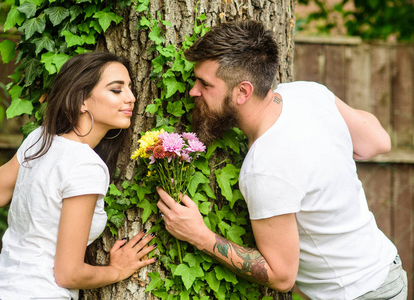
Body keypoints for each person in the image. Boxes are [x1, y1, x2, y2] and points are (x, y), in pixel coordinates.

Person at [157, 21, 408, 299]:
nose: (193, 91)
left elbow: (281, 275)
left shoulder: (265, 167)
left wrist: (200, 236)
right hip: (389, 271)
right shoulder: (308, 93)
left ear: (243, 92)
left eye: (205, 84)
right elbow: (378, 142)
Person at [0, 52, 157, 300]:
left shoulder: (41, 138)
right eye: (117, 90)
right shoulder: (86, 166)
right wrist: (117, 270)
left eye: (129, 88)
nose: (131, 98)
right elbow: (68, 274)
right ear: (82, 100)